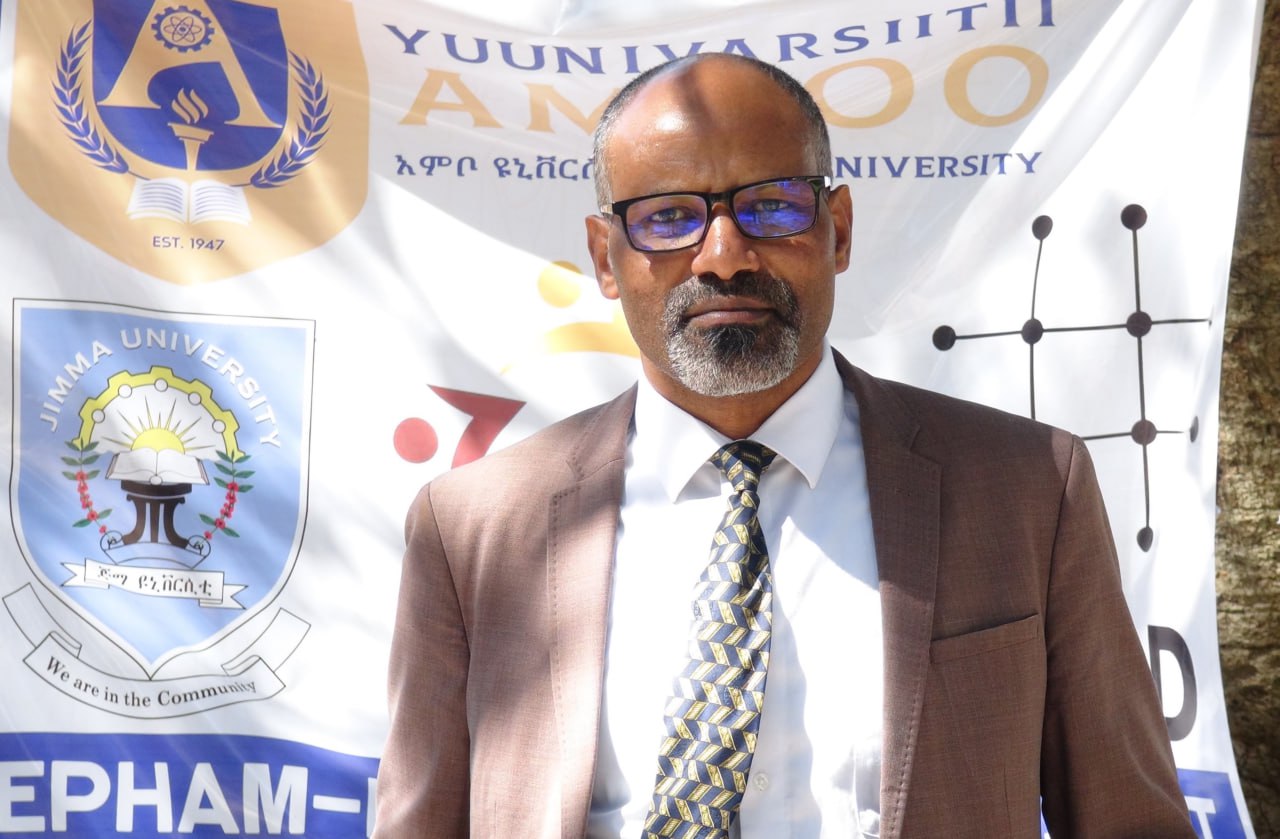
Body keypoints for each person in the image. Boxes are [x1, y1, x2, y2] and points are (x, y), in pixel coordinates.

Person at [373, 53, 1194, 838]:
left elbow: (1128, 821)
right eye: (668, 218)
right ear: (605, 258)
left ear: (838, 230)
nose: (724, 256)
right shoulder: (472, 528)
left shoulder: (1026, 491)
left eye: (771, 206)